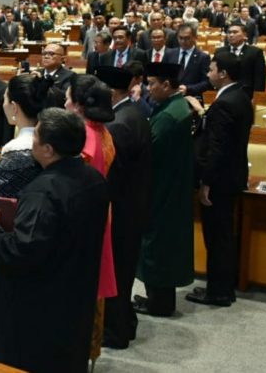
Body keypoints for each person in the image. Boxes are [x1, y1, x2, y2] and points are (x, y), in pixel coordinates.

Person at [0, 108, 108, 372]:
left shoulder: (43, 191)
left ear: (49, 149)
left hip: (41, 305)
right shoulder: (94, 178)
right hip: (77, 292)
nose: (33, 142)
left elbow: (23, 251)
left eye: (36, 137)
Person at [187, 51, 252, 307]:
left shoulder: (225, 102)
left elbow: (217, 148)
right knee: (223, 235)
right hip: (232, 176)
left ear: (223, 73)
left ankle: (218, 291)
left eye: (211, 69)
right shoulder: (241, 97)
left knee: (217, 237)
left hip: (220, 180)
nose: (207, 73)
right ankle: (223, 287)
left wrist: (206, 183)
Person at [95, 66, 152, 349]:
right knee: (124, 271)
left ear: (112, 91)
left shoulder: (118, 123)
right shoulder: (133, 112)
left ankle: (115, 333)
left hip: (121, 211)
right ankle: (125, 323)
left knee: (116, 273)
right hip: (134, 206)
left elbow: (112, 175)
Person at [134, 61, 195, 317]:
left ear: (166, 85)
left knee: (158, 244)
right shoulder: (175, 106)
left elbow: (149, 151)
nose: (148, 89)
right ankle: (159, 299)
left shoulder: (169, 115)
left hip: (163, 188)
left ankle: (158, 303)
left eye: (152, 84)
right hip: (172, 185)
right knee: (163, 243)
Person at [65, 74, 117, 365]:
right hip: (100, 211)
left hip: (84, 218)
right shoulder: (102, 130)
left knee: (84, 286)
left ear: (79, 106)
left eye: (68, 98)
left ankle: (81, 352)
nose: (64, 102)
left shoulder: (84, 137)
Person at [0, 74, 53, 217]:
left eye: (5, 99)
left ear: (14, 107)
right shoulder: (54, 143)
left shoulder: (15, 152)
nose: (3, 104)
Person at [217, 24, 266, 97]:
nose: (231, 35)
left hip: (246, 95)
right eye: (229, 32)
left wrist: (256, 98)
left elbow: (259, 79)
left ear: (244, 35)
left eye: (235, 32)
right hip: (223, 94)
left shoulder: (255, 52)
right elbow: (215, 74)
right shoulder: (220, 51)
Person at [175, 25, 212, 99]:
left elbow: (207, 83)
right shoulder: (170, 54)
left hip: (192, 98)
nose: (183, 41)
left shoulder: (203, 57)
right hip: (171, 98)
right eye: (180, 38)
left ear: (195, 38)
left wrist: (188, 89)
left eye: (187, 38)